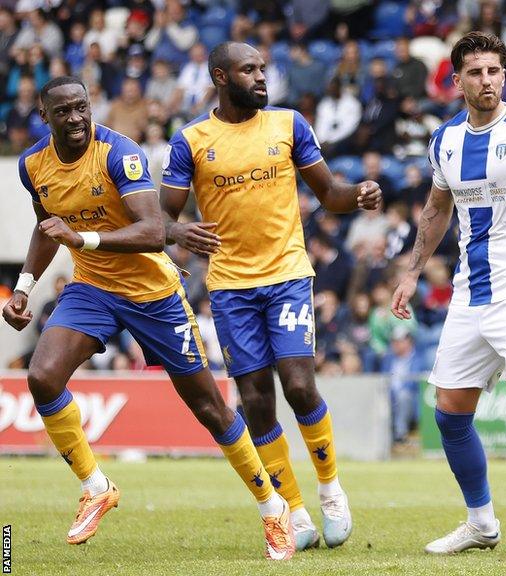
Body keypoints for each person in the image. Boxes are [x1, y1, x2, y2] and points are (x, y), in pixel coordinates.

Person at [3, 76, 294, 560]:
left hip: (153, 293)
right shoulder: (32, 165)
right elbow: (46, 226)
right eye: (64, 112)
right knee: (43, 376)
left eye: (82, 107)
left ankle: (273, 508)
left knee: (210, 409)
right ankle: (96, 486)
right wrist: (23, 287)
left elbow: (154, 229)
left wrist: (83, 240)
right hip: (93, 289)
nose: (76, 118)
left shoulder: (120, 152)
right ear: (44, 116)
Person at [160, 42, 382, 552]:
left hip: (286, 275)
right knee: (257, 400)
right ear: (220, 76)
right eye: (249, 69)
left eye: (263, 68)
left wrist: (360, 193)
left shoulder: (289, 125)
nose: (262, 77)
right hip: (231, 286)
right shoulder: (191, 140)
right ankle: (295, 511)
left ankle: (330, 491)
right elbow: (162, 216)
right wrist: (179, 233)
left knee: (300, 385)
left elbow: (329, 194)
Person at [390, 32, 506, 561]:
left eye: (495, 71)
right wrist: (410, 274)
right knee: (449, 414)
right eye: (476, 73)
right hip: (469, 295)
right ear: (458, 82)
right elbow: (435, 210)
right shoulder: (445, 140)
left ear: (505, 75)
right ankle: (481, 522)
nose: (488, 81)